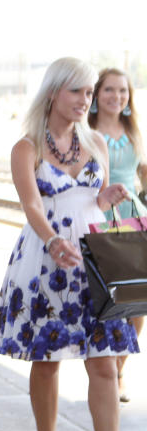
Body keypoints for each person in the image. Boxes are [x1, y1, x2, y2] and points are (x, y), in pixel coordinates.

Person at [0, 57, 139, 431]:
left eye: (90, 93)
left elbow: (97, 199)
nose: (85, 101)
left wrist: (108, 197)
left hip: (92, 261)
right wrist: (53, 242)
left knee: (106, 365)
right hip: (46, 262)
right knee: (48, 362)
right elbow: (32, 206)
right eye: (78, 92)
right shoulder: (27, 147)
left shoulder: (96, 143)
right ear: (54, 92)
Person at [87, 67, 147, 402]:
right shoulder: (88, 130)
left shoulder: (134, 128)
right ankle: (104, 374)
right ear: (97, 95)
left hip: (135, 216)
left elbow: (144, 173)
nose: (117, 97)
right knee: (109, 304)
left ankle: (120, 370)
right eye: (109, 90)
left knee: (139, 305)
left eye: (122, 91)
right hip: (103, 218)